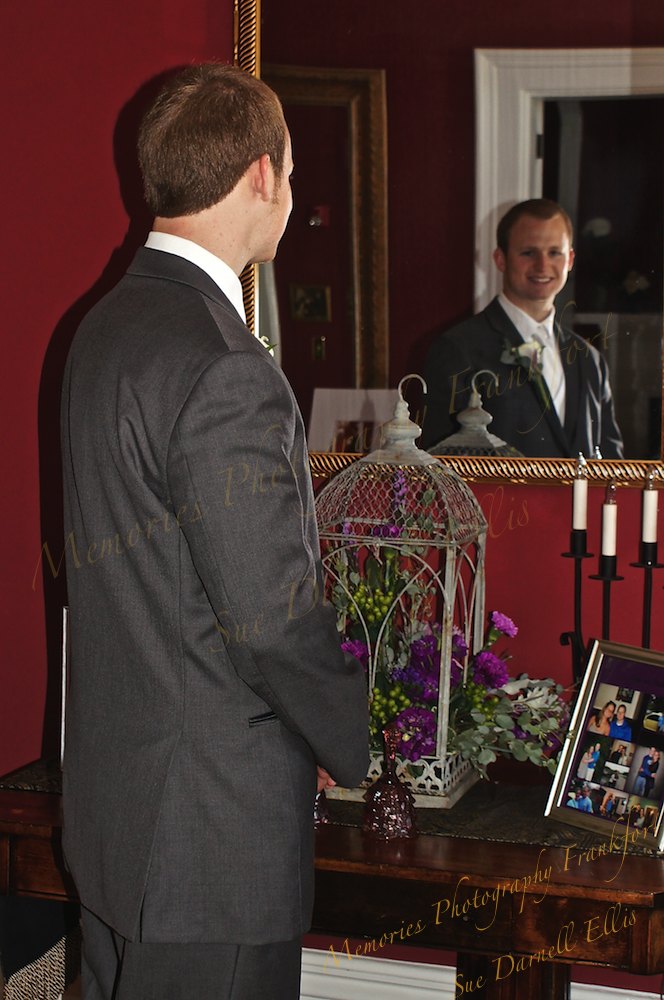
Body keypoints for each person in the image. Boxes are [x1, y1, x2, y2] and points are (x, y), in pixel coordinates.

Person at [60, 64, 369, 1000]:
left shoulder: (104, 325)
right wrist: (348, 740)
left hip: (119, 820)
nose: (292, 194)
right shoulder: (223, 362)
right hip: (209, 844)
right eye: (293, 174)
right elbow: (270, 621)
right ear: (263, 174)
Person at [421, 198, 624, 458]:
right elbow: (439, 461)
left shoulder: (590, 360)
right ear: (500, 259)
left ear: (570, 259)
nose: (542, 266)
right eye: (528, 253)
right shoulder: (457, 349)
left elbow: (612, 463)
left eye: (554, 252)